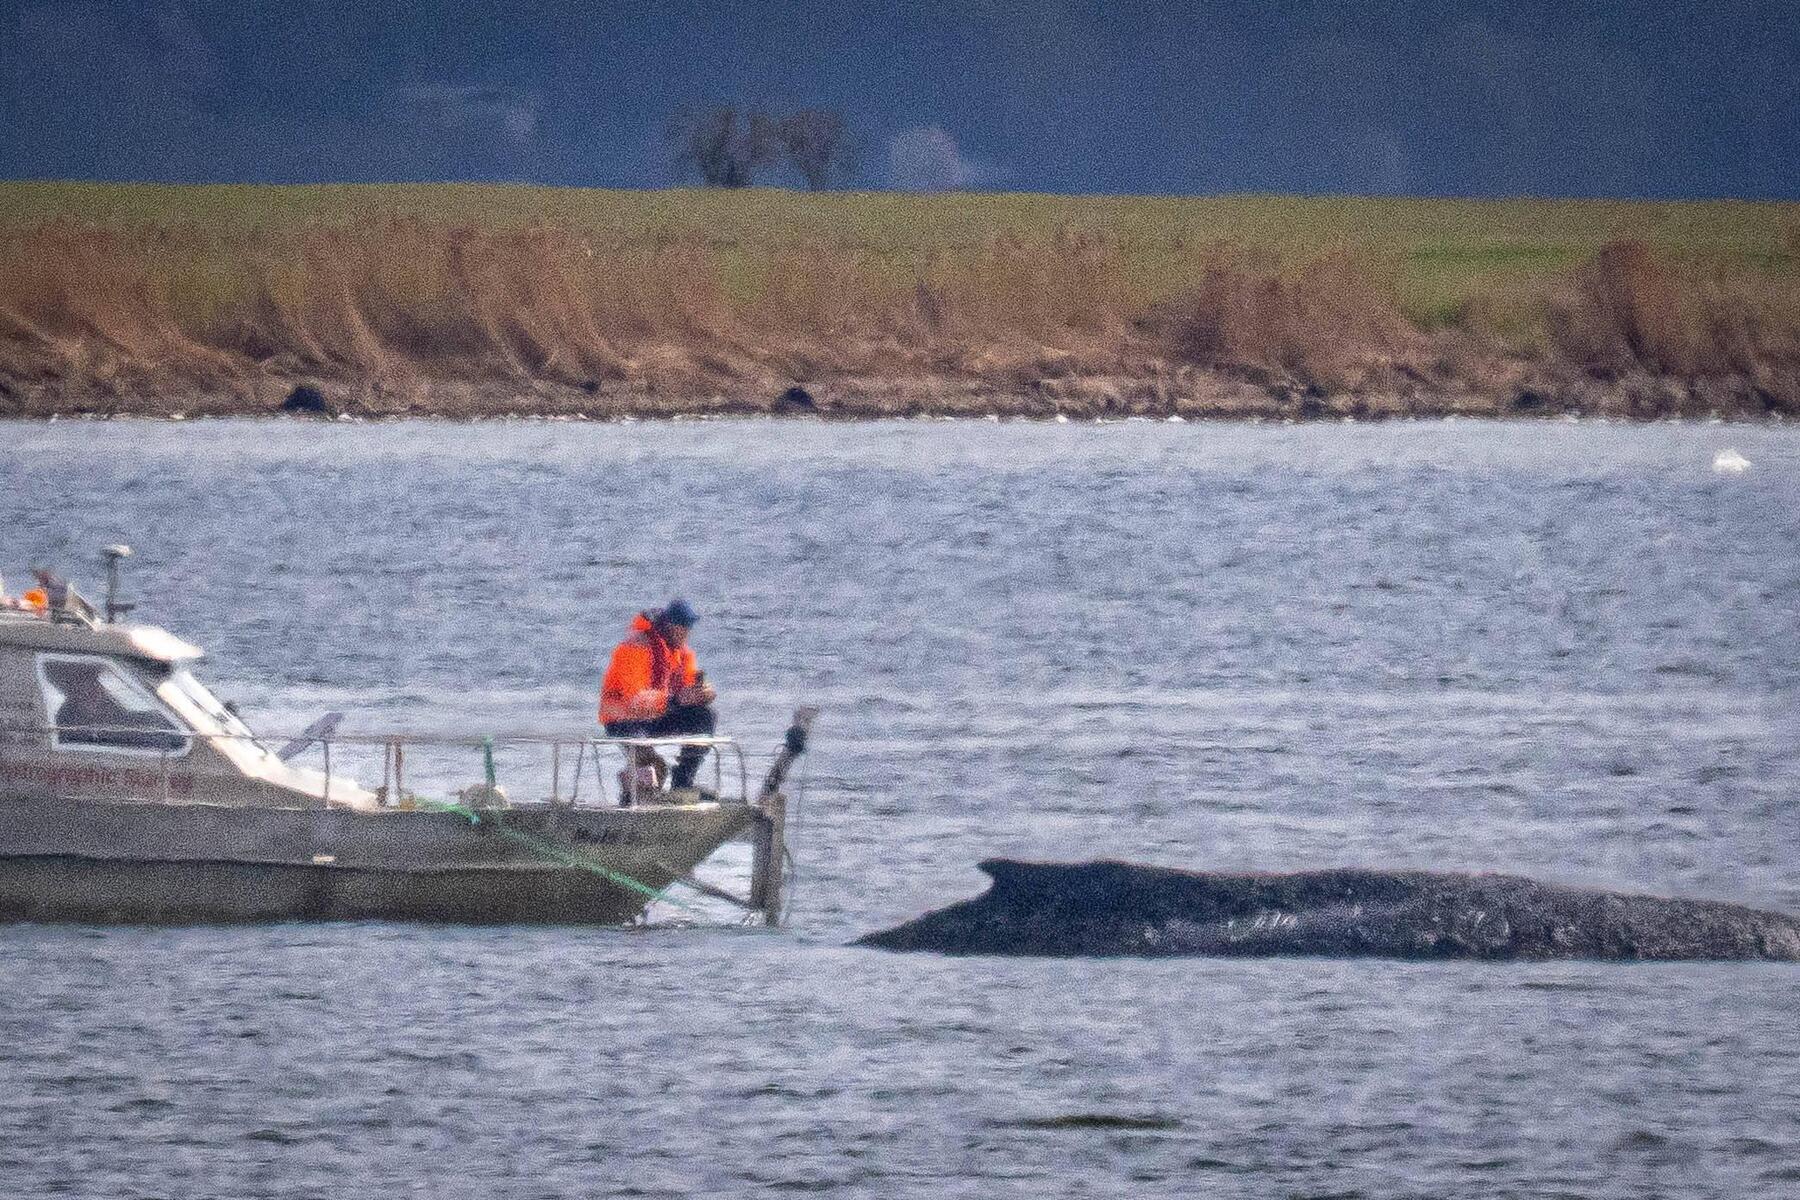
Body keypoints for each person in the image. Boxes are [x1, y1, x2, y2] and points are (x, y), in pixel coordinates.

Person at [598, 599, 718, 800]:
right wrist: (675, 700)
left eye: (688, 627)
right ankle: (630, 798)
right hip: (623, 720)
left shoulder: (682, 654)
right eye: (683, 627)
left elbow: (687, 687)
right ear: (670, 626)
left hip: (657, 715)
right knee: (654, 770)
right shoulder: (634, 648)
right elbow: (634, 700)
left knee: (705, 717)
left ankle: (682, 784)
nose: (686, 632)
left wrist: (702, 694)